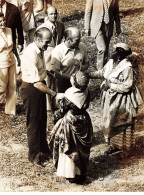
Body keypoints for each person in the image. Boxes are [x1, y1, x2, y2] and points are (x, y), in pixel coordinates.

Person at [89, 43, 142, 156]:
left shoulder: (127, 67)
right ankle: (114, 145)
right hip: (110, 98)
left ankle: (125, 149)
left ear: (125, 55)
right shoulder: (111, 62)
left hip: (122, 99)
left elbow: (127, 86)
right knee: (110, 121)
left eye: (120, 52)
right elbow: (102, 73)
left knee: (122, 121)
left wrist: (111, 86)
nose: (117, 54)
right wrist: (88, 74)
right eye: (117, 51)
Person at [20, 27, 57, 166]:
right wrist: (54, 94)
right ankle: (34, 156)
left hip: (39, 85)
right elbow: (36, 82)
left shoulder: (39, 49)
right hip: (31, 89)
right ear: (37, 39)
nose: (47, 46)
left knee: (42, 119)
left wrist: (48, 73)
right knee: (34, 123)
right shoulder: (31, 53)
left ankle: (43, 148)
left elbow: (39, 73)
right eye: (46, 42)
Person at [49, 71, 93, 184]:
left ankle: (70, 173)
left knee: (70, 146)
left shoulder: (69, 93)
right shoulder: (86, 91)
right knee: (81, 147)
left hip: (70, 120)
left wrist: (55, 117)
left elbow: (62, 110)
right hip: (84, 120)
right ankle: (80, 172)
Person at [37, 5, 65, 111]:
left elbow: (63, 39)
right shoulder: (42, 28)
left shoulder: (61, 25)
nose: (54, 16)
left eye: (55, 13)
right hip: (47, 56)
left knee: (57, 78)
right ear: (47, 15)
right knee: (48, 78)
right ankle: (48, 105)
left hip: (57, 56)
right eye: (51, 14)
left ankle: (57, 102)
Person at [50, 27, 89, 93]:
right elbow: (56, 73)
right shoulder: (57, 51)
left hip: (80, 85)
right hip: (64, 85)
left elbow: (87, 64)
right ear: (68, 40)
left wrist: (81, 66)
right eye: (77, 40)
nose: (79, 42)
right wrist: (73, 78)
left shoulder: (82, 46)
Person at [84, 0, 121, 70]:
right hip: (97, 26)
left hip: (108, 26)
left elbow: (116, 13)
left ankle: (105, 69)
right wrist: (87, 27)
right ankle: (99, 71)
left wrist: (118, 27)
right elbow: (88, 12)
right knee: (102, 49)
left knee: (106, 49)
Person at [0, 12, 16, 115]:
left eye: (3, 20)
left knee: (12, 85)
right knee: (1, 87)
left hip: (11, 60)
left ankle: (10, 110)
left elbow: (12, 46)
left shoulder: (9, 30)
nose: (3, 23)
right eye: (0, 22)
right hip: (1, 63)